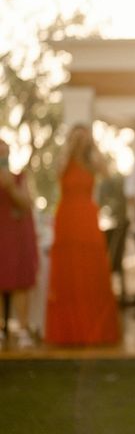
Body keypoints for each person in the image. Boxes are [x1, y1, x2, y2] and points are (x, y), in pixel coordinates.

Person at [46, 124, 120, 345]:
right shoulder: (65, 160)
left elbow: (107, 174)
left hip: (87, 219)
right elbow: (57, 172)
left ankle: (94, 330)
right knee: (68, 273)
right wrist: (70, 147)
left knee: (91, 270)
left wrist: (93, 147)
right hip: (67, 219)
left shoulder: (92, 161)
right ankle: (68, 332)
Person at [0, 139, 38, 348]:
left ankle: (23, 330)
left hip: (15, 234)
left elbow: (27, 204)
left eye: (5, 152)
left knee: (19, 282)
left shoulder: (19, 178)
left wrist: (11, 188)